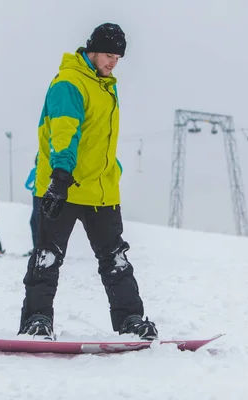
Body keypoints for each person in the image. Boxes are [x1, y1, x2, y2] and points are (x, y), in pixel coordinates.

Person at [17, 23, 157, 340]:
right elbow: (64, 132)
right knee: (47, 258)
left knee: (116, 260)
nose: (112, 62)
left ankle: (130, 320)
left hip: (102, 191)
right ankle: (36, 321)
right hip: (60, 186)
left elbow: (99, 140)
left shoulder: (106, 86)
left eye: (117, 57)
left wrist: (112, 170)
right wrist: (61, 175)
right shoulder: (69, 83)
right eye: (108, 55)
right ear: (91, 50)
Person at [24, 155, 39, 255]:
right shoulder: (51, 170)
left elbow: (28, 184)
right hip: (48, 197)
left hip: (37, 197)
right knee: (37, 222)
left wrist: (34, 188)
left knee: (35, 222)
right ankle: (39, 248)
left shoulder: (36, 170)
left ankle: (38, 248)